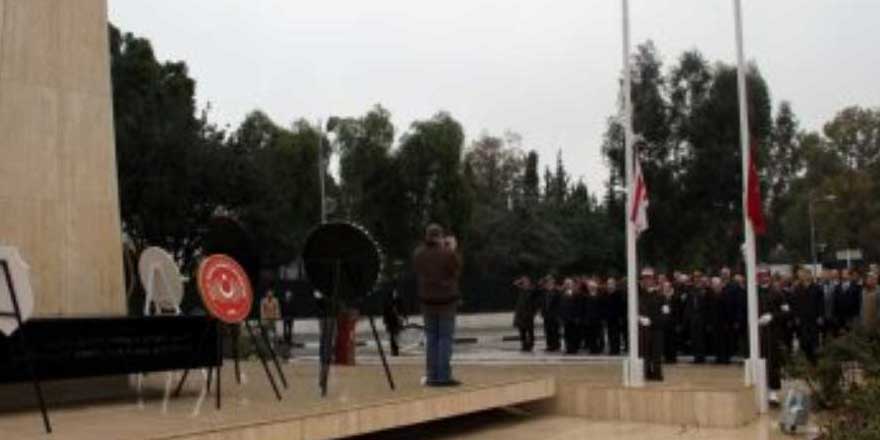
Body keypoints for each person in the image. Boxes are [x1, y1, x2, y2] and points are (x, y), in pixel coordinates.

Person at [413, 224, 462, 387]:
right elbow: (456, 269)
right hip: (446, 302)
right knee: (445, 339)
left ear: (427, 236)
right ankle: (443, 376)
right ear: (440, 236)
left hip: (427, 302)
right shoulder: (447, 253)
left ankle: (431, 375)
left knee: (432, 339)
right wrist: (453, 249)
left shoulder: (418, 254)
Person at [757, 268, 785, 405]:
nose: (764, 278)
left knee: (773, 362)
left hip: (773, 333)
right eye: (761, 276)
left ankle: (773, 393)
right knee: (759, 361)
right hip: (758, 333)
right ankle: (760, 390)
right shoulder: (754, 293)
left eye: (766, 276)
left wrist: (772, 316)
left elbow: (786, 312)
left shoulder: (777, 293)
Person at [792, 269, 824, 365]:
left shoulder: (817, 288)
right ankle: (806, 362)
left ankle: (815, 362)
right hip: (802, 319)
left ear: (810, 275)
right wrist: (796, 316)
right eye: (803, 275)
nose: (805, 276)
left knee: (814, 341)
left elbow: (821, 303)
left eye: (807, 274)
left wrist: (820, 316)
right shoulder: (798, 288)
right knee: (804, 341)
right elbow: (795, 304)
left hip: (814, 319)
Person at [638, 268, 665, 381]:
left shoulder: (660, 296)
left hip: (656, 329)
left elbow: (665, 314)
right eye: (644, 278)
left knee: (656, 354)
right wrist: (639, 318)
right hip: (643, 329)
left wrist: (652, 321)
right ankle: (645, 374)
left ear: (654, 280)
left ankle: (657, 375)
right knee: (644, 354)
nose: (647, 280)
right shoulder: (638, 295)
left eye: (649, 278)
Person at [512, 275, 539, 352]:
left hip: (528, 314)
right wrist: (520, 281)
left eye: (526, 281)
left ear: (529, 282)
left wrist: (534, 311)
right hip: (520, 314)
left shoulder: (532, 290)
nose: (524, 283)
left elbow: (536, 293)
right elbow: (514, 285)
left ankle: (530, 345)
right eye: (523, 281)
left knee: (530, 331)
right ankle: (524, 345)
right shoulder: (521, 289)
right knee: (522, 331)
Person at [540, 274, 562, 352]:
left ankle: (556, 345)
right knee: (547, 330)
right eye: (547, 281)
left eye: (550, 281)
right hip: (546, 315)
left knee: (555, 331)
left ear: (553, 282)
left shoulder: (557, 291)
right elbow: (542, 303)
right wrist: (542, 312)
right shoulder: (544, 291)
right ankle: (549, 345)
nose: (548, 282)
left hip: (555, 315)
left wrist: (558, 314)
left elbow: (560, 304)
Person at [582, 279, 604, 354]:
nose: (591, 288)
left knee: (599, 335)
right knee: (590, 335)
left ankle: (599, 348)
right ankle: (592, 349)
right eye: (590, 287)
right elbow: (583, 308)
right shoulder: (585, 297)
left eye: (593, 286)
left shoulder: (600, 296)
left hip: (598, 319)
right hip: (588, 319)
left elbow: (602, 308)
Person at [604, 277, 625, 355]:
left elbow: (621, 306)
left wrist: (621, 317)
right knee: (610, 334)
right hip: (608, 317)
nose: (610, 285)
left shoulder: (618, 294)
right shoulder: (605, 294)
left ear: (614, 284)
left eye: (611, 283)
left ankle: (616, 349)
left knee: (616, 334)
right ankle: (612, 349)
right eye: (608, 284)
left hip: (616, 318)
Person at [560, 278, 581, 354]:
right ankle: (568, 348)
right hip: (566, 318)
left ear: (572, 284)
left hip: (574, 318)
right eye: (566, 283)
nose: (568, 285)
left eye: (569, 283)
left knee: (574, 334)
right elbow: (561, 306)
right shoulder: (562, 293)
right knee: (567, 334)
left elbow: (579, 306)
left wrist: (577, 317)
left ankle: (574, 349)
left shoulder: (576, 293)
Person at [382, 284, 404, 356]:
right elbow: (385, 312)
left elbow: (402, 310)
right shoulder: (388, 301)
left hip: (396, 321)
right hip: (391, 321)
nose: (395, 294)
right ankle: (394, 350)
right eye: (394, 293)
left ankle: (395, 349)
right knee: (392, 336)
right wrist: (385, 321)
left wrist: (403, 317)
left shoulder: (398, 300)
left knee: (396, 336)